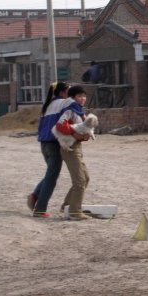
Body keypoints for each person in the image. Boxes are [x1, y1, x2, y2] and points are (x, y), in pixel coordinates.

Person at [28, 81, 72, 218]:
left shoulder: (47, 106)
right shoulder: (64, 103)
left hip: (44, 144)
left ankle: (35, 195)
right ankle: (40, 209)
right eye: (69, 91)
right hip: (53, 144)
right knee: (52, 177)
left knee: (50, 174)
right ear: (62, 92)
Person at [56, 85, 92, 220]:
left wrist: (84, 136)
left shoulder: (79, 111)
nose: (82, 98)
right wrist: (74, 134)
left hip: (77, 147)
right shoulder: (70, 110)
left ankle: (67, 206)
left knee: (85, 178)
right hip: (69, 148)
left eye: (84, 96)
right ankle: (75, 212)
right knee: (80, 181)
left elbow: (82, 130)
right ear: (72, 98)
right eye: (79, 96)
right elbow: (60, 125)